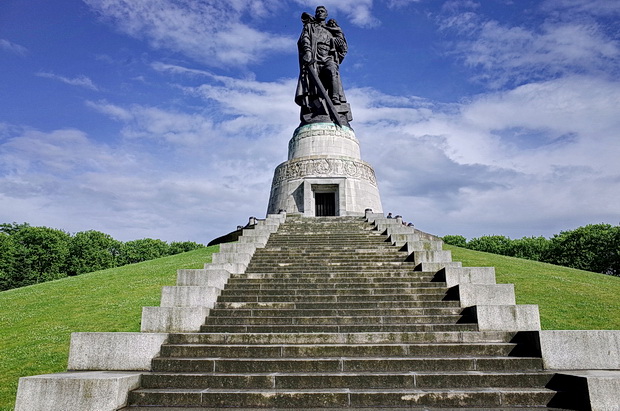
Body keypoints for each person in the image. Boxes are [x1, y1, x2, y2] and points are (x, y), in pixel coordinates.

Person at [295, 6, 352, 126]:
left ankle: (335, 99)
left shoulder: (331, 29)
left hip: (327, 57)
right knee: (313, 87)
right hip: (314, 58)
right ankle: (316, 109)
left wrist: (339, 42)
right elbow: (304, 39)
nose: (319, 13)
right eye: (318, 12)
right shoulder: (310, 27)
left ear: (326, 14)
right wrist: (308, 52)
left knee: (332, 70)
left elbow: (343, 47)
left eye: (322, 11)